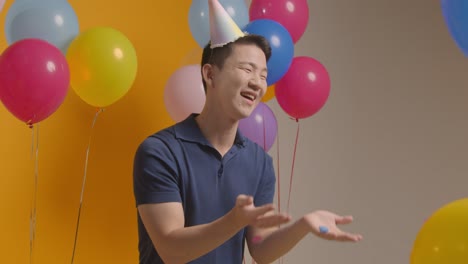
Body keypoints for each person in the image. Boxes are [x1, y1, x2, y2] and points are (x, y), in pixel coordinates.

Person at [133, 1, 362, 263]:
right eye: (247, 69)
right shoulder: (159, 151)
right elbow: (170, 249)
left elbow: (260, 249)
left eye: (264, 75)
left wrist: (303, 225)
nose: (257, 82)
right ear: (210, 74)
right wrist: (233, 222)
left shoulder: (259, 163)